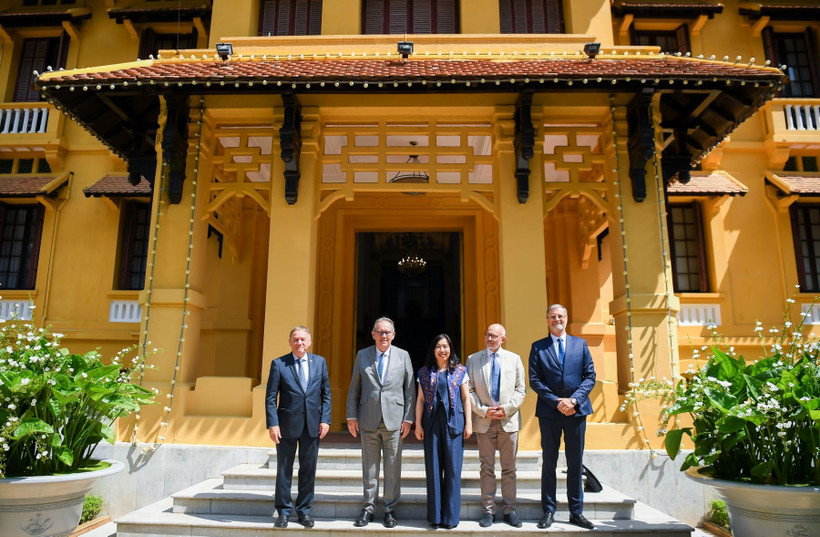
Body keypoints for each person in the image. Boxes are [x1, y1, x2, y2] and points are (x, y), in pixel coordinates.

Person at [529, 304, 596, 530]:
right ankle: (549, 510)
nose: (557, 319)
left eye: (560, 316)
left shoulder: (580, 344)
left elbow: (590, 376)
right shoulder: (538, 347)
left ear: (566, 318)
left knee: (575, 463)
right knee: (549, 462)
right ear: (547, 319)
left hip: (577, 411)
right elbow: (535, 380)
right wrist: (558, 402)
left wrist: (573, 400)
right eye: (552, 316)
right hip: (550, 412)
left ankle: (576, 512)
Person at [346, 317, 415, 528]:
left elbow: (410, 390)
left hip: (394, 419)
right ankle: (368, 507)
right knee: (370, 466)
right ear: (373, 334)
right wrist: (351, 416)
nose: (384, 336)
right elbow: (354, 387)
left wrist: (408, 418)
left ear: (393, 335)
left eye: (387, 332)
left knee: (393, 466)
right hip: (368, 418)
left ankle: (389, 508)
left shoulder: (403, 356)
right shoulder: (362, 355)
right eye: (380, 332)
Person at [265, 326, 332, 529]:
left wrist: (325, 420)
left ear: (309, 342)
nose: (299, 343)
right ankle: (283, 512)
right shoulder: (279, 364)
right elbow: (270, 398)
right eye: (296, 339)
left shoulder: (320, 362)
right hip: (286, 425)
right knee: (284, 469)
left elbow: (326, 394)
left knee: (308, 469)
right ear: (290, 342)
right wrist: (273, 424)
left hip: (312, 425)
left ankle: (304, 511)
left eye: (303, 339)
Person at [465, 323, 527, 528]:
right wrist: (483, 410)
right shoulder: (473, 359)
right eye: (488, 335)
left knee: (509, 468)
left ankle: (510, 510)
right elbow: (469, 390)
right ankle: (488, 510)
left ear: (503, 339)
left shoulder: (515, 359)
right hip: (485, 421)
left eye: (494, 336)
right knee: (486, 468)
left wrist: (506, 409)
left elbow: (521, 389)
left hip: (508, 420)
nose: (490, 339)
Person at [414, 333, 472, 529]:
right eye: (438, 346)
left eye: (445, 346)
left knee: (453, 470)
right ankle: (436, 517)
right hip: (431, 424)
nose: (442, 350)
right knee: (433, 469)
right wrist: (418, 424)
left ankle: (450, 518)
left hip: (454, 423)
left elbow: (466, 398)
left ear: (450, 349)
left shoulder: (460, 371)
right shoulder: (424, 372)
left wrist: (469, 423)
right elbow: (420, 399)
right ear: (433, 350)